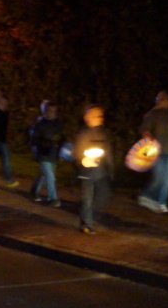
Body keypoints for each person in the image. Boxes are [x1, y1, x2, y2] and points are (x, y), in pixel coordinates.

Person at [73, 104, 114, 235]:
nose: (100, 118)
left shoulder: (103, 133)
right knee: (87, 199)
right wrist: (83, 161)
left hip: (101, 172)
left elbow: (108, 152)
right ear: (88, 118)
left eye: (101, 115)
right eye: (97, 115)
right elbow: (78, 153)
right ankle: (87, 223)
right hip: (87, 173)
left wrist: (111, 169)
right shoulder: (83, 134)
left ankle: (86, 216)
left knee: (103, 196)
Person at [29, 100, 64, 206]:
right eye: (49, 111)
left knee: (44, 175)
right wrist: (46, 143)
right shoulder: (39, 125)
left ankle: (34, 191)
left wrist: (62, 146)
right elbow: (34, 140)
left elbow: (61, 137)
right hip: (43, 154)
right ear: (44, 112)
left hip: (53, 154)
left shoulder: (58, 124)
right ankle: (52, 198)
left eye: (54, 111)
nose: (52, 113)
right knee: (50, 176)